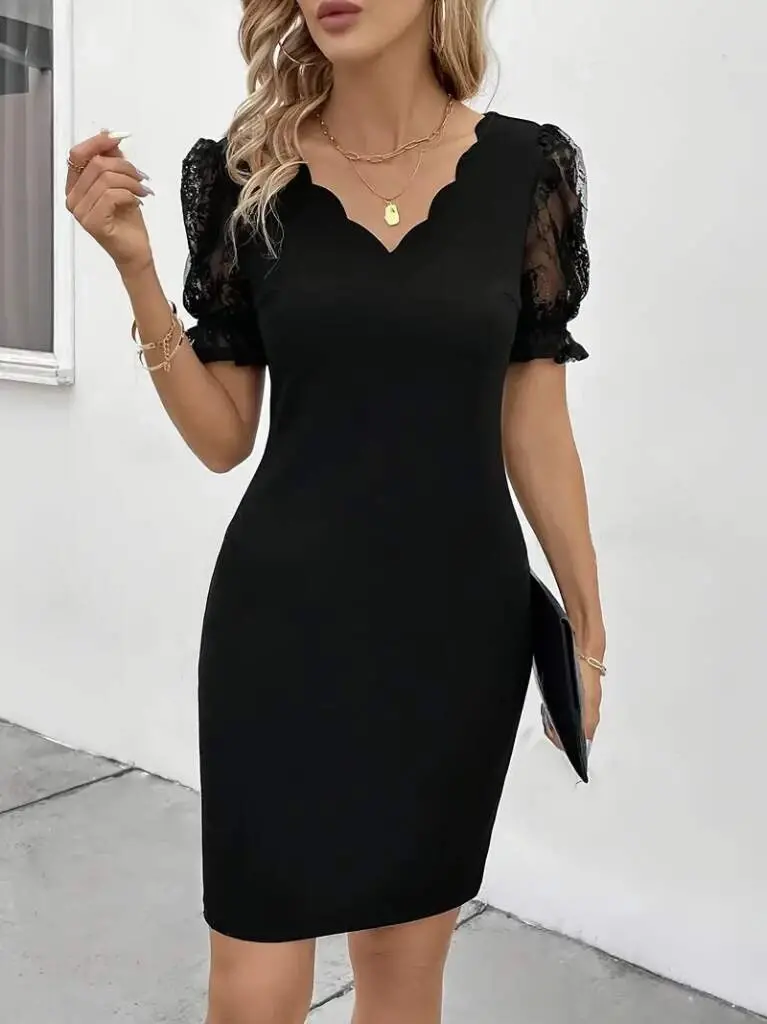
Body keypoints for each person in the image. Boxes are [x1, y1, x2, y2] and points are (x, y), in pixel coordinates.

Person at [65, 1, 607, 1021]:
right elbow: (224, 436)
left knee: (402, 979)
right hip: (280, 632)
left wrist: (586, 622)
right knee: (253, 990)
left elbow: (534, 418)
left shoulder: (524, 171)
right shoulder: (245, 178)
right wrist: (136, 268)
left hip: (457, 638)